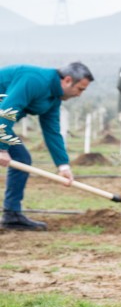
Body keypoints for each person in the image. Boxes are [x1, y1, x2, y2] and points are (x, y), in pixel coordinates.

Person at [0, 62, 94, 231]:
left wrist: (63, 165)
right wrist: (1, 148)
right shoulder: (34, 80)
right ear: (67, 80)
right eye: (80, 89)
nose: (79, 95)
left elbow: (52, 131)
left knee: (21, 158)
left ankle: (12, 215)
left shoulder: (52, 99)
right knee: (20, 157)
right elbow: (7, 110)